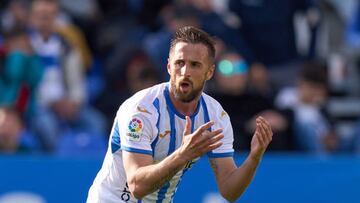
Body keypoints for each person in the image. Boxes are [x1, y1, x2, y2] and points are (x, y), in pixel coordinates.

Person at [87, 26, 273, 203]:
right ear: (169, 67)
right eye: (179, 63)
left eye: (194, 65)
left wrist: (254, 158)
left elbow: (229, 190)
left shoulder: (215, 115)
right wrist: (183, 155)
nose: (185, 72)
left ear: (209, 72)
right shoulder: (142, 110)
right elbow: (137, 185)